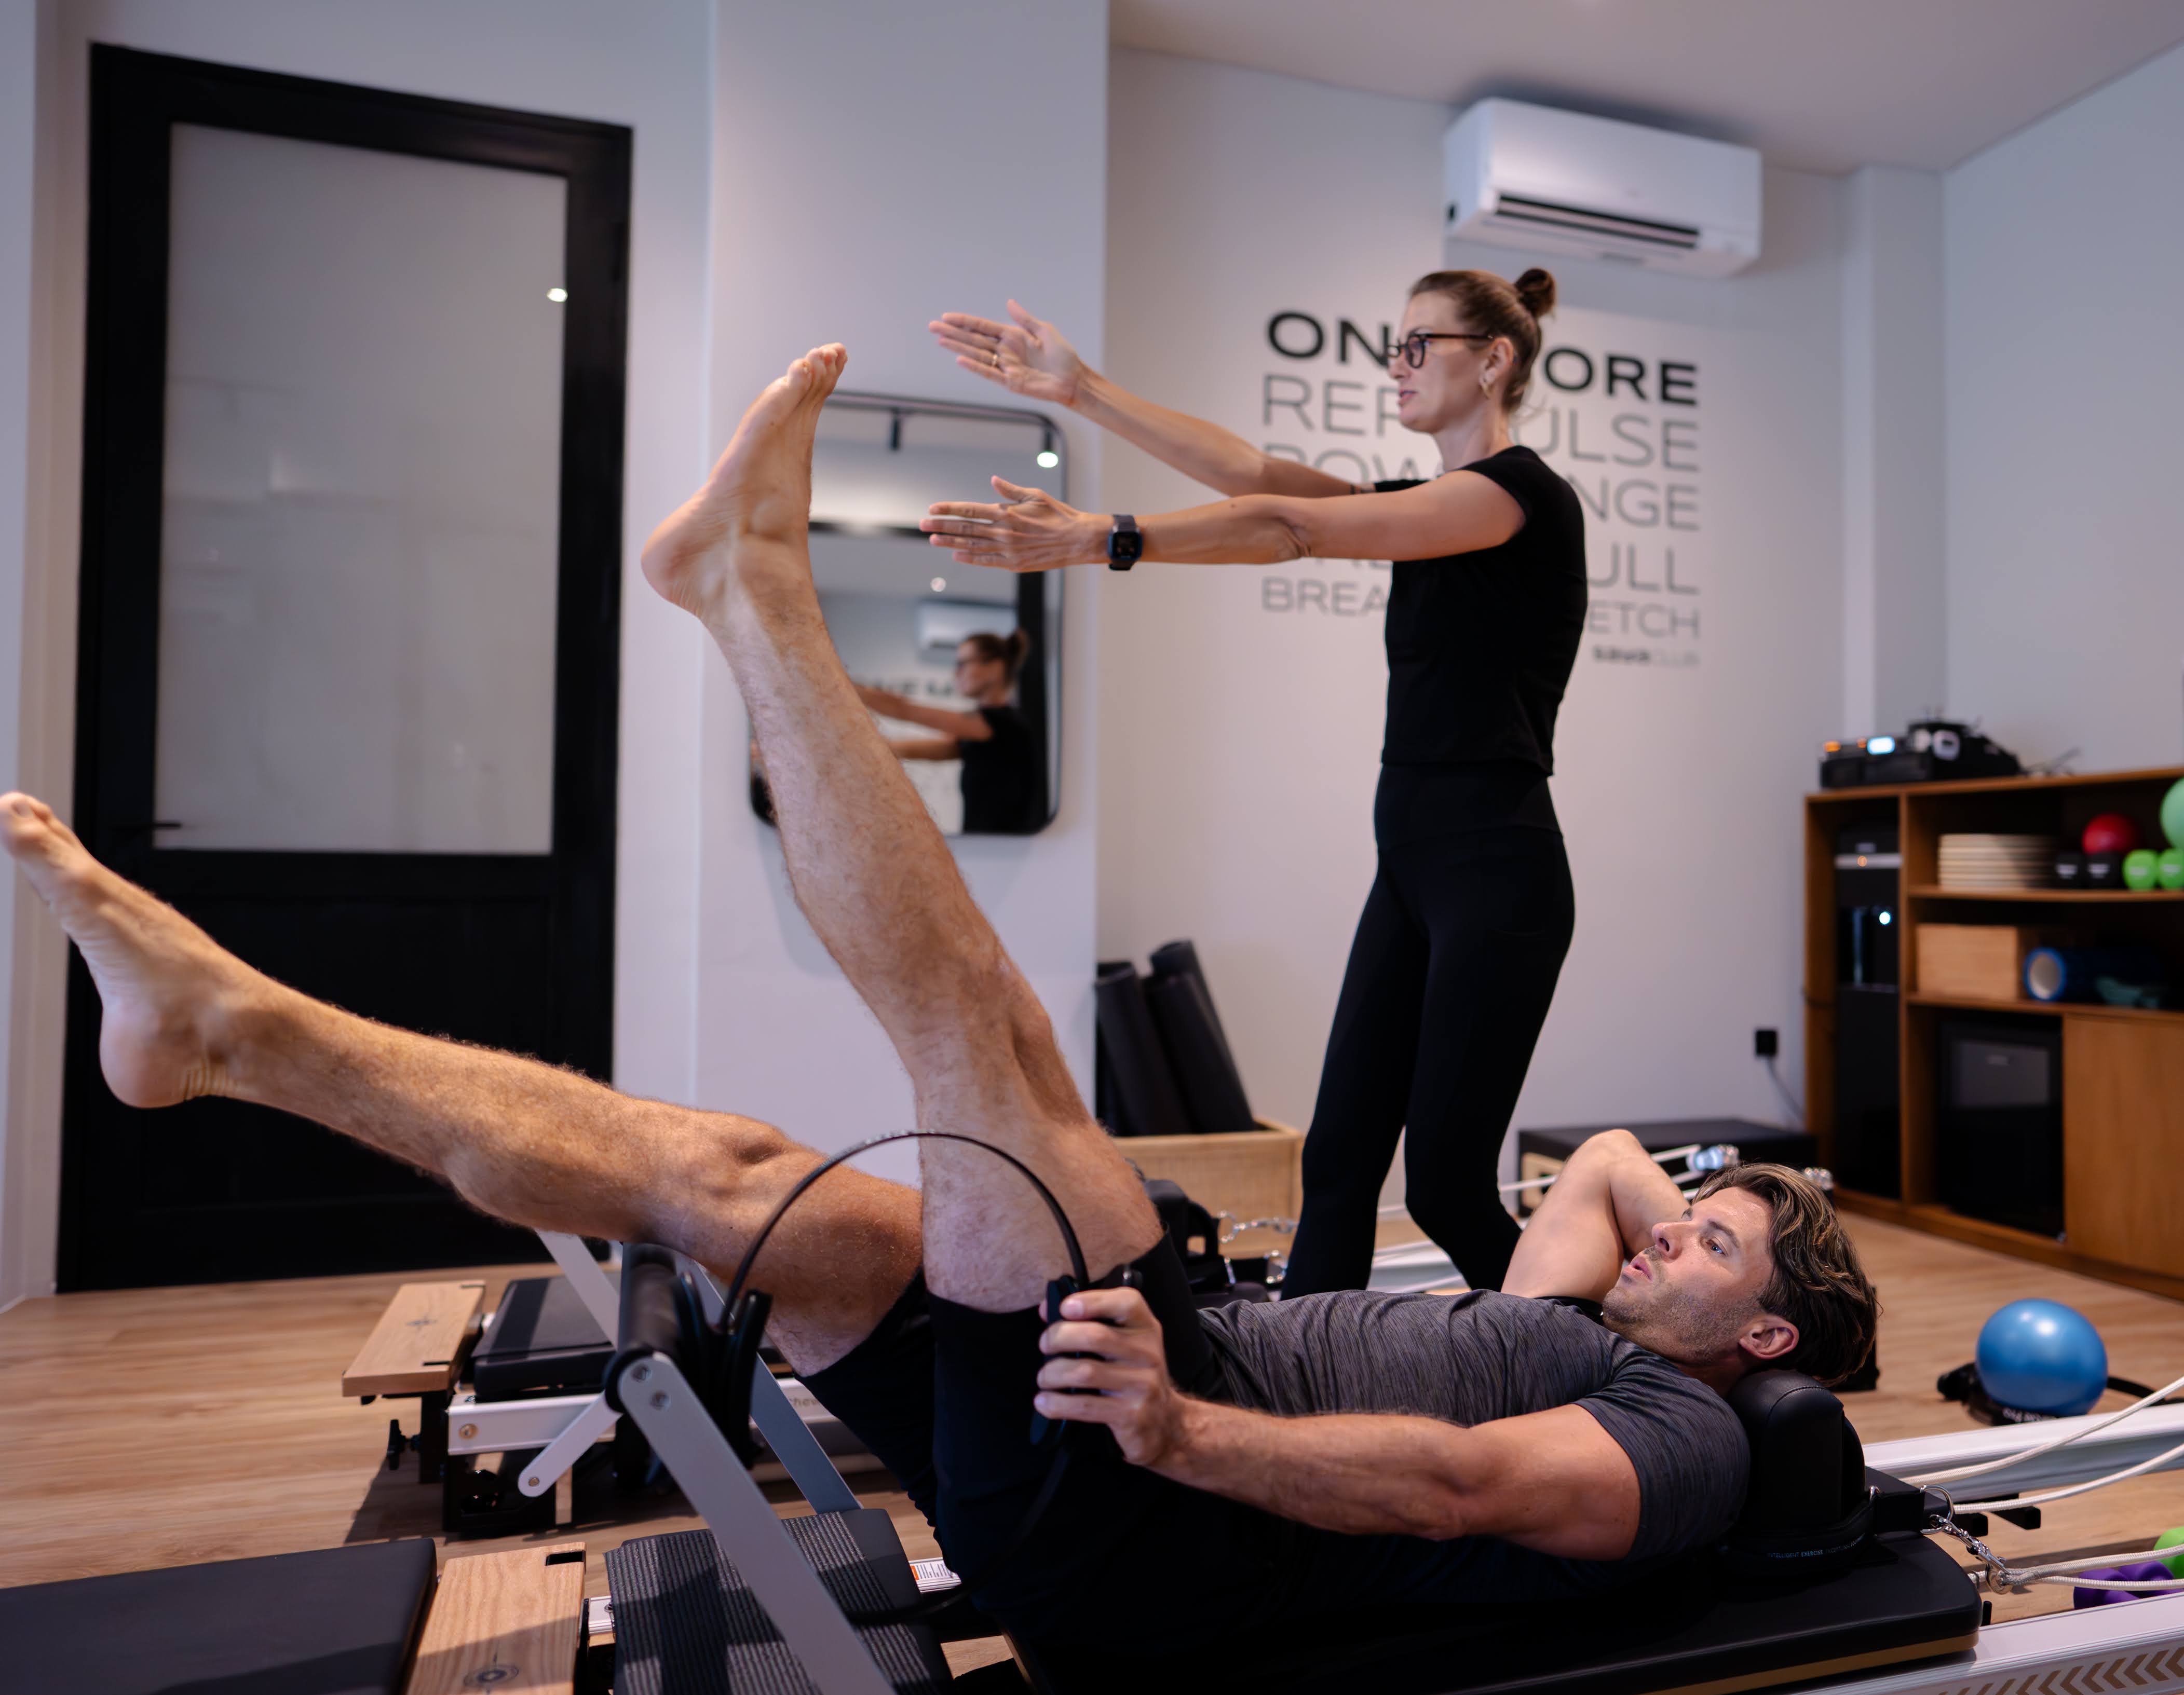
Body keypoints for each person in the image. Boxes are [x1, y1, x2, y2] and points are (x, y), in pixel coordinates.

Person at [0, 346, 1874, 1650]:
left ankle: (751, 592)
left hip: (1151, 1471)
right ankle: (225, 1032)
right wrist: (1737, 1222)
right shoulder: (1592, 1319)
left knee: (992, 1038)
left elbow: (1462, 1486)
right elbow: (1617, 1156)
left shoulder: (1682, 1439)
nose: (1657, 1227)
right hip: (1143, 1415)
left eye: (1704, 1247)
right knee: (726, 1175)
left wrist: (1187, 1427)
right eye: (1683, 1223)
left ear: (1768, 1346)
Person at [927, 269, 1587, 1295]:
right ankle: (1297, 1409)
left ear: (1492, 360)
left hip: (1497, 870)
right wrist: (1083, 390)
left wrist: (1103, 537)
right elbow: (1250, 473)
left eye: (1421, 345)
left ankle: (1624, 1366)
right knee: (1335, 1164)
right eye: (1395, 346)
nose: (1397, 366)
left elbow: (1289, 525)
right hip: (1414, 869)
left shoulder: (1519, 497)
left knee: (1451, 1184)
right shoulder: (1426, 508)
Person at [858, 628, 1046, 833]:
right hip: (994, 851)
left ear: (995, 668)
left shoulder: (1003, 724)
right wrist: (862, 748)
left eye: (963, 664)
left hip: (1005, 855)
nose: (956, 673)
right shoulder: (986, 732)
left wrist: (839, 685)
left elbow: (904, 709)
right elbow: (931, 749)